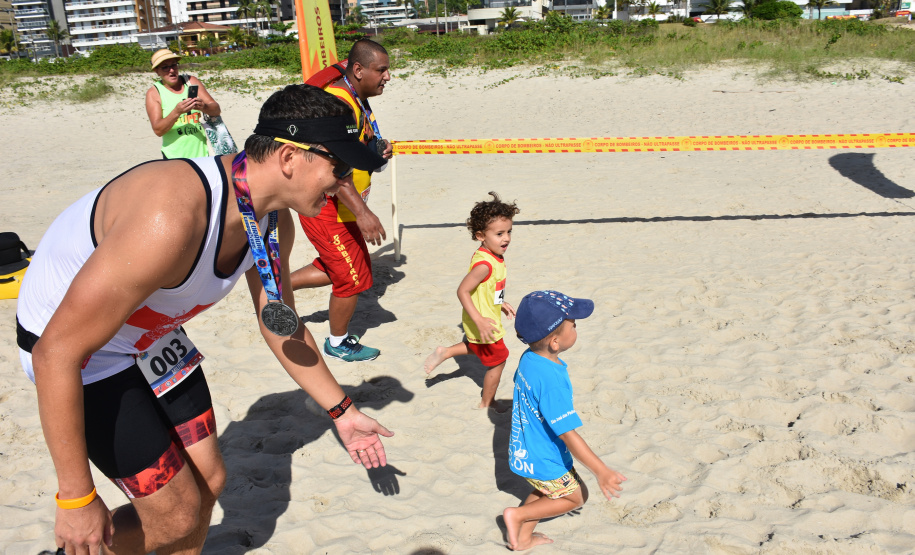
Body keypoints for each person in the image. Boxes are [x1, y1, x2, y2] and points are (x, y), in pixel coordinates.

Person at [17, 84, 393, 555]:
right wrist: (75, 497)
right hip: (79, 348)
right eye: (338, 167)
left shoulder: (273, 220)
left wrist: (343, 411)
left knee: (208, 481)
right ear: (290, 158)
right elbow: (55, 352)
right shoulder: (171, 217)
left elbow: (281, 323)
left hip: (147, 333)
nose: (344, 181)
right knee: (175, 514)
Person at [290, 39, 393, 363]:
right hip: (326, 205)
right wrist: (364, 213)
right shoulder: (340, 103)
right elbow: (333, 166)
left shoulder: (356, 99)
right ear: (358, 69)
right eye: (381, 70)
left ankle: (274, 287)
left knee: (352, 269)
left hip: (342, 205)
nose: (387, 76)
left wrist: (375, 149)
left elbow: (353, 147)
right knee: (349, 280)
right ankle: (337, 343)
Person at [502, 290, 627, 551]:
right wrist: (601, 471)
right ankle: (517, 516)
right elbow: (567, 433)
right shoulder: (552, 381)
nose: (576, 328)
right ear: (555, 342)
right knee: (576, 496)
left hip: (525, 449)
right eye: (573, 325)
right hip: (545, 455)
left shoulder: (529, 358)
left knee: (548, 490)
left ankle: (522, 538)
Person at [424, 192, 519, 411]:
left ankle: (445, 352)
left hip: (487, 313)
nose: (506, 238)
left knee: (479, 346)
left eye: (509, 232)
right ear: (480, 236)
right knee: (499, 360)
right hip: (483, 319)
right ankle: (487, 403)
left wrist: (500, 302)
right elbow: (463, 291)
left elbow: (489, 286)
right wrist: (479, 320)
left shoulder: (494, 255)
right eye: (499, 234)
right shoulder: (484, 264)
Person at [145, 49, 221, 159]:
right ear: (157, 71)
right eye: (165, 67)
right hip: (174, 157)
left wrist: (204, 107)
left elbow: (216, 110)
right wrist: (177, 112)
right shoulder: (154, 93)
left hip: (204, 153)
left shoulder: (191, 81)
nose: (171, 70)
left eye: (174, 65)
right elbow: (158, 130)